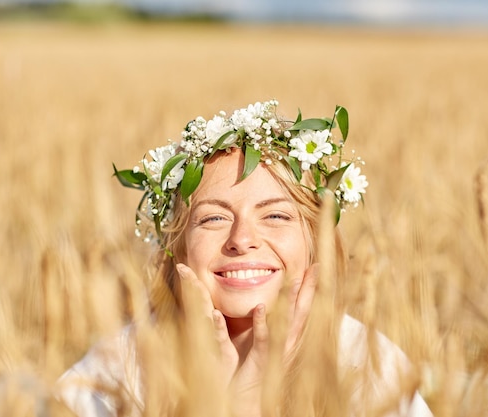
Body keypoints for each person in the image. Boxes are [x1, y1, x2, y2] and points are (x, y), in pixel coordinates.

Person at [57, 100, 433, 417]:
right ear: (178, 246)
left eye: (276, 215)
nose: (242, 240)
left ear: (315, 239)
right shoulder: (117, 370)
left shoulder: (369, 366)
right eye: (214, 218)